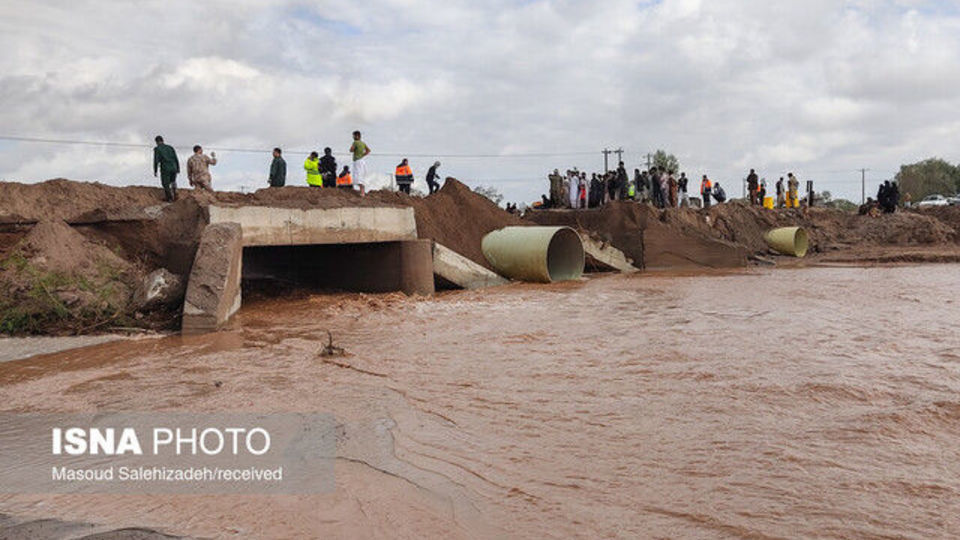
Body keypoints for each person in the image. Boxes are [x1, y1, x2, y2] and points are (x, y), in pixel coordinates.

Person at [153, 135, 180, 202]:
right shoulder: (170, 147)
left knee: (165, 183)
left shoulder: (157, 149)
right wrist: (178, 168)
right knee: (173, 181)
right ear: (163, 140)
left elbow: (156, 160)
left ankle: (169, 198)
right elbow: (176, 158)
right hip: (174, 167)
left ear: (156, 142)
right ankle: (175, 192)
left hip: (165, 168)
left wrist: (155, 170)